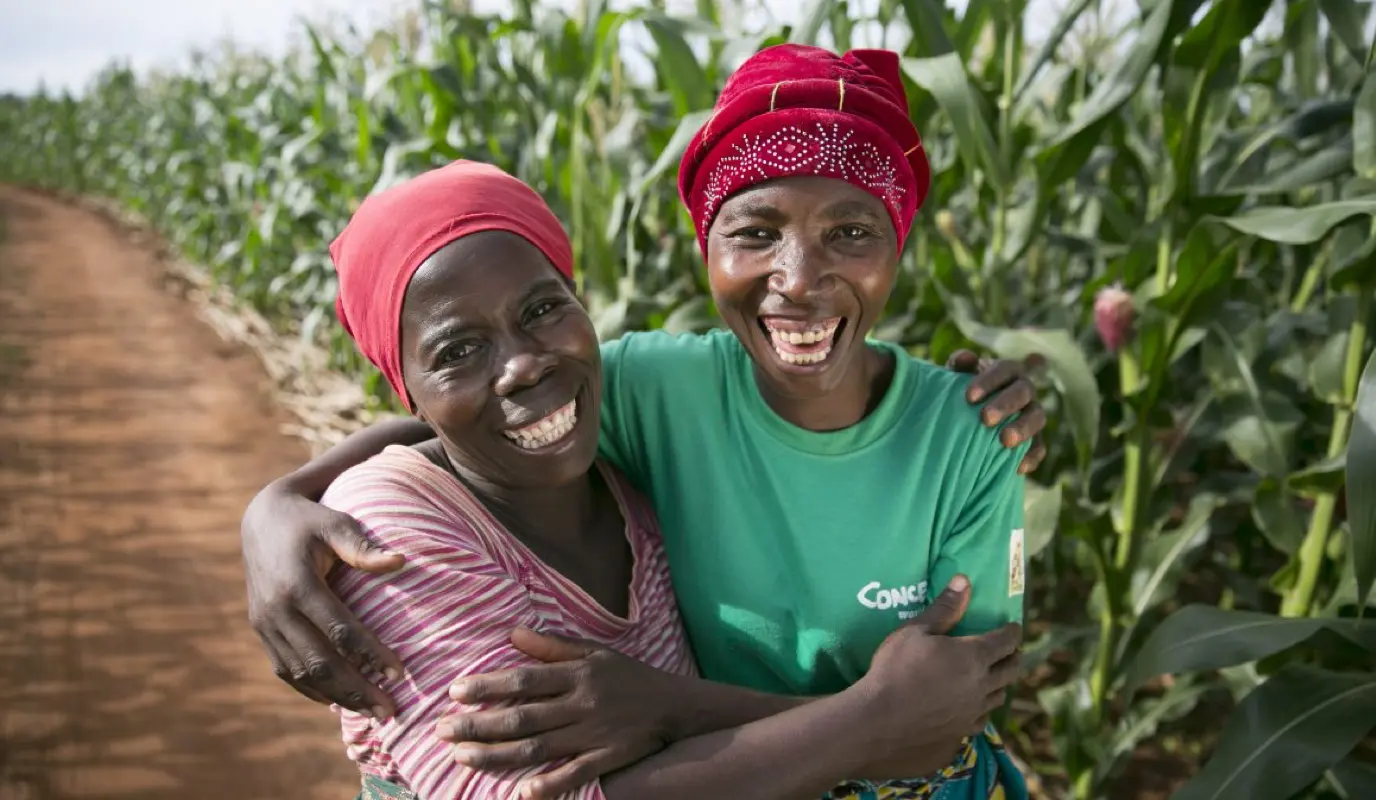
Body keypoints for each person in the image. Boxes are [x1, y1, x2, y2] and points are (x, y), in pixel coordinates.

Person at [242, 44, 1050, 798]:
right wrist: (279, 500)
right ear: (707, 247)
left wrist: (670, 707)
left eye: (851, 232)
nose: (799, 280)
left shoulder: (970, 435)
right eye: (756, 232)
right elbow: (465, 428)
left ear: (897, 248)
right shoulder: (660, 391)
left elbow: (939, 723)